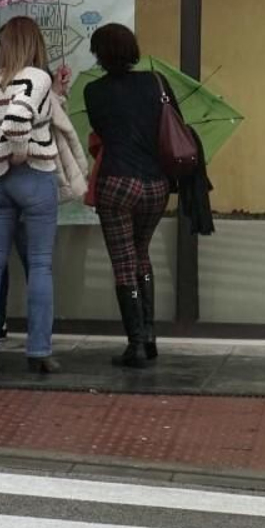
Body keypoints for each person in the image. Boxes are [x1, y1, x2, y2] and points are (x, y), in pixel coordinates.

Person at [0, 16, 63, 374]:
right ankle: (38, 352)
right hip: (32, 176)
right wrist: (20, 151)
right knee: (39, 265)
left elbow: (17, 112)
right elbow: (19, 118)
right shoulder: (37, 76)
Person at [82, 24, 168, 369]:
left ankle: (135, 344)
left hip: (117, 182)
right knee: (142, 255)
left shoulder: (93, 92)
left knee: (123, 263)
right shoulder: (155, 83)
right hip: (155, 185)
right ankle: (149, 337)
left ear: (99, 54)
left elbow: (102, 132)